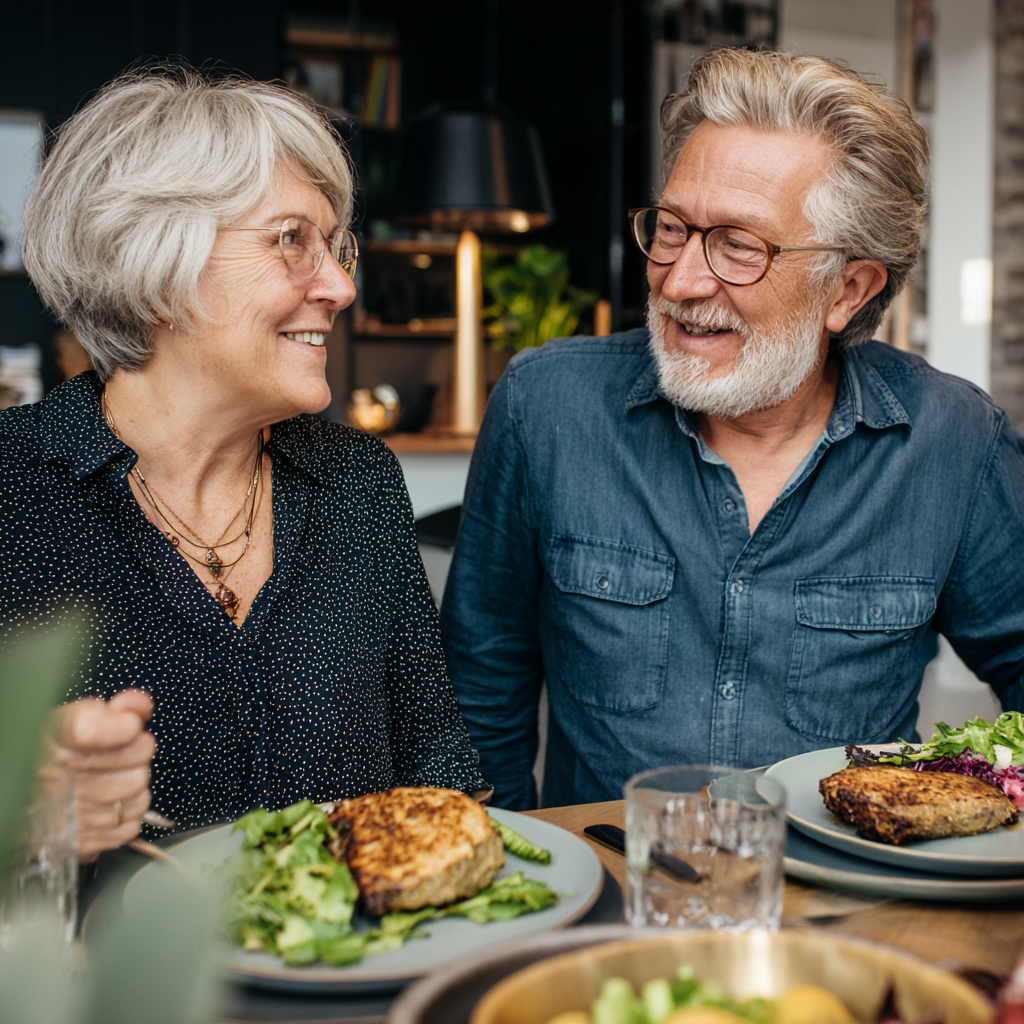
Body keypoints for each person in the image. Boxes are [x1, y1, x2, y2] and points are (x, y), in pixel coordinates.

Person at [441, 48, 1024, 810]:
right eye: (674, 229)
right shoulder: (545, 405)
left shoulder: (956, 441)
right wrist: (512, 886)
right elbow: (480, 685)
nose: (680, 281)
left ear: (847, 290)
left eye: (739, 246)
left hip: (847, 915)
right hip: (615, 904)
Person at [1, 67, 487, 862]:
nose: (339, 286)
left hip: (361, 976)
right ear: (156, 269)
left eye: (336, 247)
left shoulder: (358, 483)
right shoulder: (11, 490)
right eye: (292, 240)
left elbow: (438, 776)